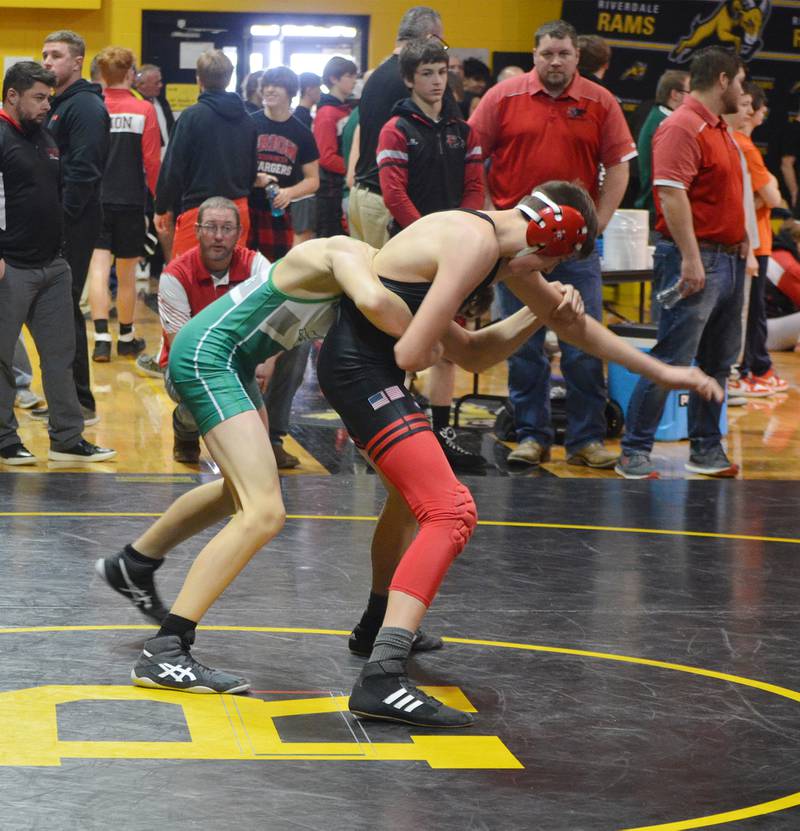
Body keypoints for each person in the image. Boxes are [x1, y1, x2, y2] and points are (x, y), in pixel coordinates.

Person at [316, 181, 722, 727]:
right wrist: (503, 320)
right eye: (553, 263)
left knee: (408, 503)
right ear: (544, 238)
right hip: (362, 371)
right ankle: (383, 676)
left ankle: (374, 626)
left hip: (371, 366)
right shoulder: (472, 244)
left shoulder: (497, 245)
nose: (546, 274)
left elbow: (529, 338)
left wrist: (664, 370)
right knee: (450, 510)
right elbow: (415, 352)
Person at [94, 226, 427, 692]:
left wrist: (541, 311)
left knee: (242, 492)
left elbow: (443, 350)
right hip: (209, 356)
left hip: (233, 363)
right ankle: (165, 651)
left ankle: (134, 561)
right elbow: (379, 305)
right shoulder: (347, 253)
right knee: (264, 511)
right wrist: (431, 320)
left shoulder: (377, 285)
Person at [470, 18, 637, 470]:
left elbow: (619, 167)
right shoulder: (502, 98)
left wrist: (597, 224)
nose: (555, 61)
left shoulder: (600, 101)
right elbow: (472, 157)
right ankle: (530, 435)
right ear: (534, 55)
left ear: (577, 56)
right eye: (547, 54)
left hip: (576, 249)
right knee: (521, 344)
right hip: (517, 248)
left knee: (583, 340)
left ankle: (586, 439)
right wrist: (489, 219)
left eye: (564, 54)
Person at [615, 46, 747, 479]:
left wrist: (741, 243)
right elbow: (671, 194)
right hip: (697, 259)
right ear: (724, 80)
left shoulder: (718, 128)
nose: (743, 91)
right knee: (673, 358)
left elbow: (721, 196)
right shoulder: (682, 126)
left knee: (717, 363)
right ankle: (633, 449)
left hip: (726, 260)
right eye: (741, 82)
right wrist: (692, 258)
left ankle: (706, 449)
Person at [376, 37, 485, 471]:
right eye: (427, 73)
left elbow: (475, 189)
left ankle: (442, 436)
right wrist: (433, 238)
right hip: (408, 255)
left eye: (441, 72)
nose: (437, 81)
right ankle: (394, 436)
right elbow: (394, 196)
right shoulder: (395, 129)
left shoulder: (465, 131)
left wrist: (463, 238)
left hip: (455, 256)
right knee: (401, 345)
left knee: (451, 345)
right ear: (409, 79)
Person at [0, 61, 115, 466]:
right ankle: (4, 440)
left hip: (52, 265)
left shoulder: (45, 136)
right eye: (39, 97)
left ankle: (67, 438)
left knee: (60, 356)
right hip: (10, 267)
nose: (47, 105)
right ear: (12, 95)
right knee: (2, 360)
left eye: (49, 97)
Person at [157, 198, 275, 464]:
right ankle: (185, 426)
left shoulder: (257, 266)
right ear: (197, 231)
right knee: (226, 383)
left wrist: (265, 363)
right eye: (210, 227)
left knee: (295, 351)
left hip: (243, 359)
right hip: (185, 366)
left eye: (227, 228)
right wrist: (236, 372)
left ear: (239, 233)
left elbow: (279, 319)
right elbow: (182, 353)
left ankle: (273, 441)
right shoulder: (174, 276)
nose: (218, 236)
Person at [248, 66, 321, 469]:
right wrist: (252, 177)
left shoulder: (301, 131)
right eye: (264, 90)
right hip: (247, 219)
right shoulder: (249, 124)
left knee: (281, 304)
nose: (268, 95)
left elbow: (313, 178)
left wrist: (289, 192)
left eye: (274, 90)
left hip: (278, 223)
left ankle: (273, 434)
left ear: (290, 94)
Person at [42, 29, 110, 423]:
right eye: (45, 54)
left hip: (75, 221)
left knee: (63, 307)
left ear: (77, 60)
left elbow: (83, 172)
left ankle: (80, 402)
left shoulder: (83, 106)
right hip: (61, 218)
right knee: (58, 308)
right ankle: (70, 400)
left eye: (56, 55)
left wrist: (62, 223)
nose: (48, 61)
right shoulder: (60, 103)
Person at [350, 6, 446, 248]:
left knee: (365, 281)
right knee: (393, 285)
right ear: (430, 39)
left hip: (363, 196)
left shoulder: (376, 75)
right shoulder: (416, 80)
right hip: (390, 202)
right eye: (442, 44)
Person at [88, 46, 161, 363]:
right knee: (128, 274)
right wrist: (159, 202)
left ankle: (101, 340)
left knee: (98, 269)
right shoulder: (143, 109)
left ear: (102, 74)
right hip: (131, 200)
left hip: (97, 199)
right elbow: (152, 161)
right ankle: (127, 338)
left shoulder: (93, 106)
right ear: (131, 73)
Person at [154, 49, 257, 258]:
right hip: (237, 209)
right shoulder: (249, 120)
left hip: (200, 211)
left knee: (186, 282)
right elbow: (252, 171)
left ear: (198, 79)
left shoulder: (191, 117)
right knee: (230, 282)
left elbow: (173, 168)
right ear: (229, 78)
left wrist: (161, 207)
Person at [727, 81, 788, 395]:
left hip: (757, 239)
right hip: (754, 242)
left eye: (752, 105)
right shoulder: (743, 146)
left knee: (750, 311)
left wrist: (764, 195)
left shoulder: (740, 143)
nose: (749, 111)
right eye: (745, 104)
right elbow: (773, 197)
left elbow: (767, 195)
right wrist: (767, 194)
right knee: (750, 312)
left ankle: (751, 369)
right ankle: (752, 370)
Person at [634, 70, 691, 222]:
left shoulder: (659, 117)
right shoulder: (667, 124)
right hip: (659, 213)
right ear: (675, 94)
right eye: (690, 92)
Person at [313, 56, 357, 238]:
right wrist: (353, 169)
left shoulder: (345, 109)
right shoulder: (327, 113)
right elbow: (326, 157)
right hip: (330, 191)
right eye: (350, 76)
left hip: (341, 186)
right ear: (334, 79)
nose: (354, 80)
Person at [291, 72, 322, 245]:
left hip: (301, 186)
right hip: (302, 187)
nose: (320, 92)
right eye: (318, 87)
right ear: (309, 89)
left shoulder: (301, 116)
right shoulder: (302, 119)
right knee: (302, 238)